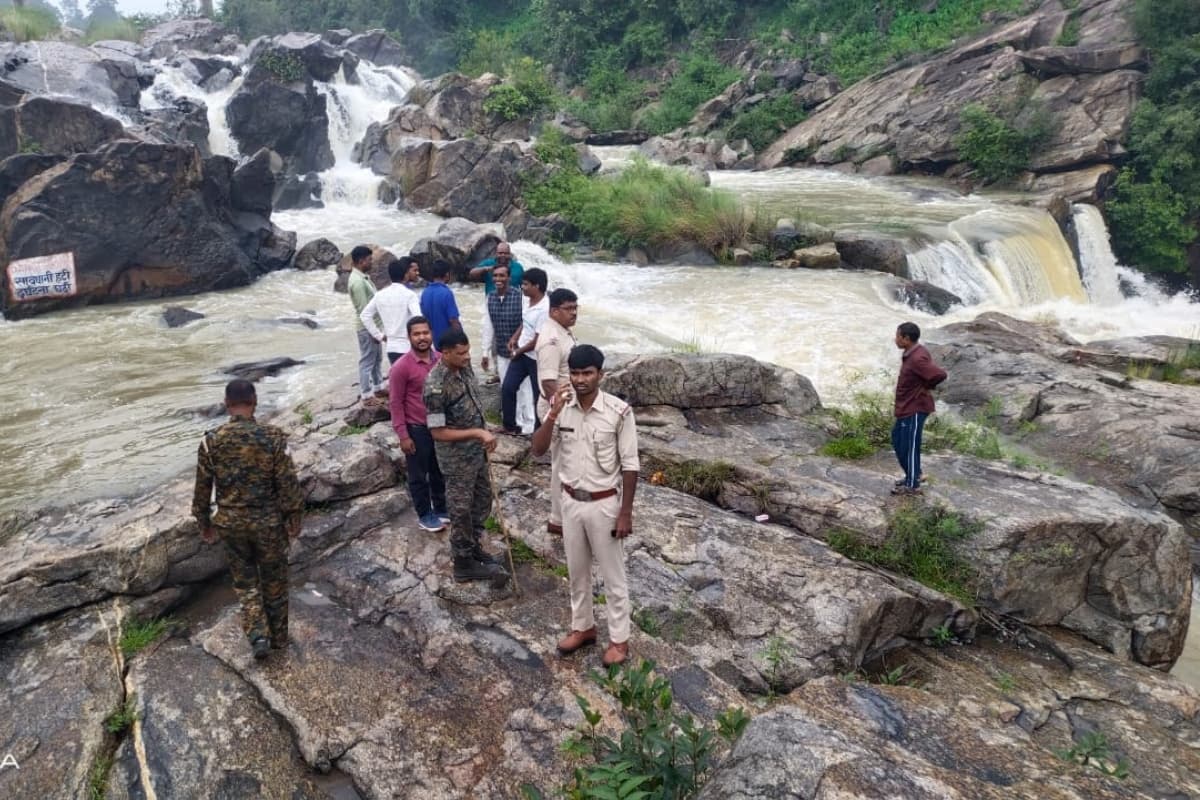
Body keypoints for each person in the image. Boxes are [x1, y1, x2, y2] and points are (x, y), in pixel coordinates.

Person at [531, 345, 638, 667]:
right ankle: (583, 627)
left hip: (604, 503)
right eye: (575, 373)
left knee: (613, 576)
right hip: (570, 501)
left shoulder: (619, 412)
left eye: (587, 373)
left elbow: (630, 464)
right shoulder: (560, 408)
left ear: (600, 375)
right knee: (577, 572)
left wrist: (625, 512)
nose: (580, 380)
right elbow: (537, 449)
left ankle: (619, 640)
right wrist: (552, 412)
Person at [192, 379, 304, 659]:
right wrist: (294, 515)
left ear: (227, 405)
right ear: (254, 402)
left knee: (246, 584)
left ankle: (257, 635)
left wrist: (204, 523)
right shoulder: (273, 437)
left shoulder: (211, 441)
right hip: (268, 523)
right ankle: (278, 638)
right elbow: (287, 483)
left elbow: (202, 488)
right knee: (275, 582)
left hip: (231, 525)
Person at [423, 328, 509, 583]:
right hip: (457, 460)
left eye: (467, 350)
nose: (466, 356)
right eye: (460, 353)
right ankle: (463, 563)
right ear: (445, 353)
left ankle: (473, 548)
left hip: (477, 453)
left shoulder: (464, 366)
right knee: (460, 510)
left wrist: (482, 432)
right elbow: (438, 432)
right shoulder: (435, 386)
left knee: (482, 501)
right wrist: (477, 433)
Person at [389, 316, 449, 533]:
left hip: (440, 427)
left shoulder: (442, 360)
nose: (422, 337)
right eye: (417, 334)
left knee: (439, 470)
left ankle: (442, 508)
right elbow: (395, 403)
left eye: (425, 332)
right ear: (409, 337)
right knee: (418, 475)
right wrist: (403, 436)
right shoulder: (401, 367)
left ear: (431, 334)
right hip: (417, 429)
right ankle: (425, 514)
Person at [535, 288, 579, 535]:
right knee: (561, 465)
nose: (573, 313)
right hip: (559, 407)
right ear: (554, 311)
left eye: (575, 308)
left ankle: (563, 515)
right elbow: (548, 383)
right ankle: (557, 520)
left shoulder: (561, 332)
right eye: (568, 308)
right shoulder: (551, 340)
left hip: (568, 403)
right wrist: (565, 411)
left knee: (567, 463)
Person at [891, 321, 947, 495]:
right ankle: (913, 475)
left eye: (898, 335)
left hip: (915, 408)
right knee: (898, 440)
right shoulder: (913, 352)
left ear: (906, 338)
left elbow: (939, 374)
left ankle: (913, 485)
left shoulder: (917, 358)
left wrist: (925, 388)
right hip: (905, 407)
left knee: (910, 446)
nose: (895, 339)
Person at [481, 263, 535, 432]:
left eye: (502, 276)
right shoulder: (490, 298)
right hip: (503, 353)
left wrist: (518, 342)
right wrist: (485, 352)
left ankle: (529, 424)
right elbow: (488, 326)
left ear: (509, 278)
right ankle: (514, 423)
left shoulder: (521, 297)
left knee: (525, 389)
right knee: (507, 388)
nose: (498, 279)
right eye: (495, 276)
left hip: (522, 353)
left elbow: (527, 323)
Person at [501, 267, 549, 435]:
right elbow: (525, 322)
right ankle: (509, 426)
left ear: (537, 286)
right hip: (522, 353)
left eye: (526, 284)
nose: (522, 287)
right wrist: (514, 338)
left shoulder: (545, 309)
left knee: (539, 397)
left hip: (536, 358)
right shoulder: (526, 300)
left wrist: (519, 351)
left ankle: (538, 433)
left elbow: (538, 339)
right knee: (507, 388)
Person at [361, 257, 424, 366]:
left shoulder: (380, 295)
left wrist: (379, 335)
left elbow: (364, 315)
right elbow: (418, 319)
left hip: (391, 347)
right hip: (408, 346)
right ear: (405, 275)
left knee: (398, 378)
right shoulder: (410, 295)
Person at [348, 245, 386, 405]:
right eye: (370, 260)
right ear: (361, 261)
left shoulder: (363, 277)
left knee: (377, 358)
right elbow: (365, 311)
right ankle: (366, 394)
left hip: (373, 326)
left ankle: (378, 387)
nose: (372, 263)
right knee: (367, 360)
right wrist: (373, 331)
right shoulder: (357, 282)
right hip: (366, 327)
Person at [419, 259, 461, 346]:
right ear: (446, 274)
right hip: (448, 342)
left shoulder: (425, 292)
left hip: (432, 342)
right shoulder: (446, 293)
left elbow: (423, 317)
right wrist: (461, 339)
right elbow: (453, 320)